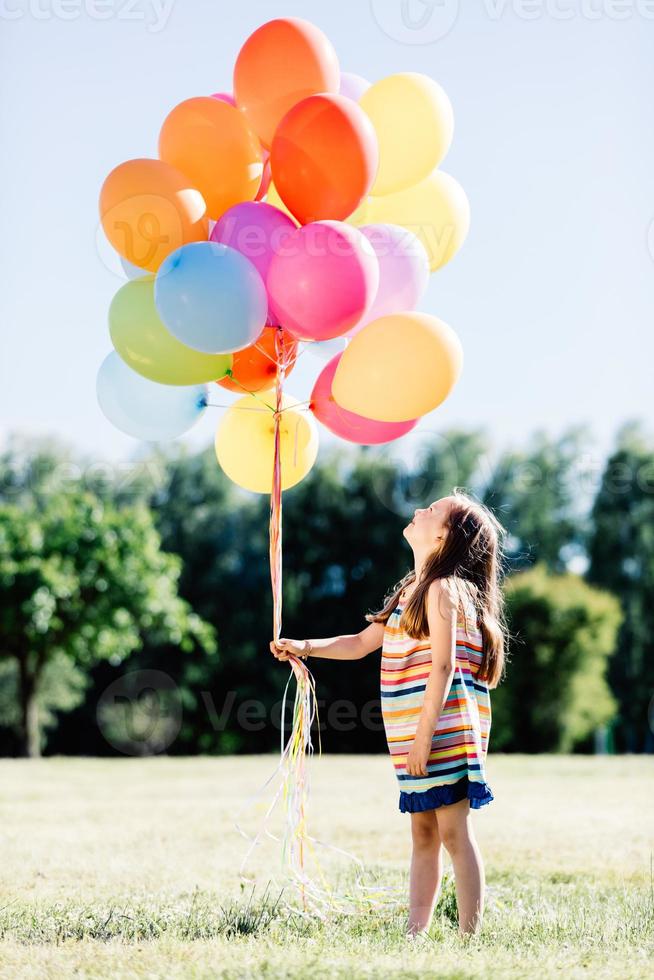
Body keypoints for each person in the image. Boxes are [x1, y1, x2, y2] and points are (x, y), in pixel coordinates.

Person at [270, 489, 508, 938]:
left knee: (454, 832)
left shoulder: (443, 592)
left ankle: (469, 936)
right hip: (413, 735)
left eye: (432, 510)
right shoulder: (410, 592)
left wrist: (423, 738)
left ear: (445, 536)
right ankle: (415, 932)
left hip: (441, 733)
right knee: (423, 833)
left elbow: (442, 666)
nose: (420, 511)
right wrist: (303, 647)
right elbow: (360, 643)